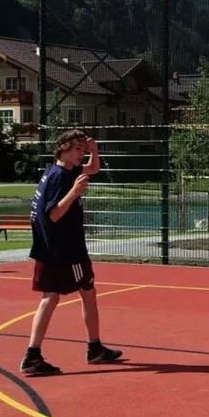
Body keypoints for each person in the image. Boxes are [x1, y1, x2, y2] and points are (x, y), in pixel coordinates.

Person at [20, 129, 122, 377]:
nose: (82, 155)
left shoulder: (60, 171)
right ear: (63, 147)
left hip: (50, 248)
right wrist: (74, 193)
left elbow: (93, 169)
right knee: (87, 292)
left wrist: (94, 152)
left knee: (51, 297)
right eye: (78, 150)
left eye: (83, 150)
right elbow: (53, 214)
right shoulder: (60, 179)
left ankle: (34, 354)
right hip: (65, 250)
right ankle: (93, 348)